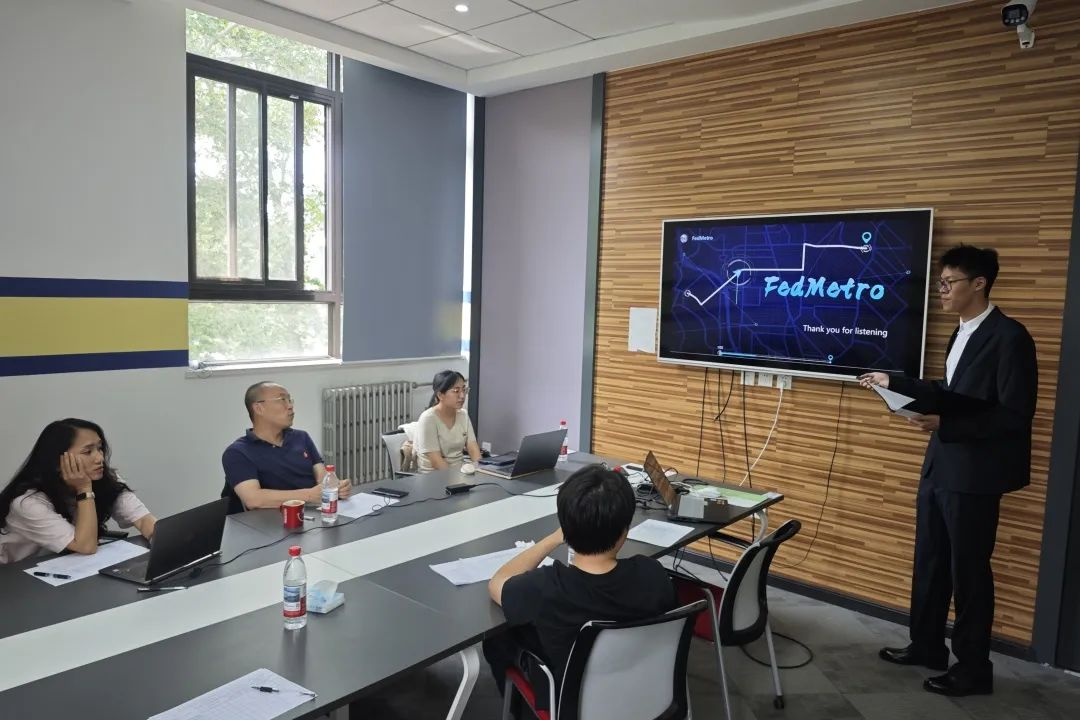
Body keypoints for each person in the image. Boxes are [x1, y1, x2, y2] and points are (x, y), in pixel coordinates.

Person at [859, 245, 1037, 697]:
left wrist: (946, 424)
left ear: (978, 283)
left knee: (968, 573)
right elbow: (950, 391)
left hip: (976, 475)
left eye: (948, 282)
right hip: (941, 466)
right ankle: (927, 646)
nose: (940, 290)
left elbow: (1014, 415)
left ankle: (974, 669)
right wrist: (895, 384)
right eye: (939, 283)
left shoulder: (1010, 337)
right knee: (930, 561)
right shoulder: (961, 332)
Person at [484, 465, 677, 712]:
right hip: (649, 697)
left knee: (498, 639)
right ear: (624, 532)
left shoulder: (546, 587)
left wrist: (552, 539)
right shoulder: (652, 573)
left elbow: (497, 582)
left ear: (566, 527)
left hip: (576, 707)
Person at [0, 419, 156, 564]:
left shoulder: (105, 479)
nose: (99, 458)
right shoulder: (27, 503)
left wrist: (159, 542)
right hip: (14, 574)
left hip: (61, 564)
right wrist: (84, 489)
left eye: (99, 448)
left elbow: (143, 520)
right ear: (57, 461)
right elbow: (86, 546)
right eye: (87, 452)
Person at [222, 381, 351, 510]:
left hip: (312, 514)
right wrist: (309, 495)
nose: (290, 406)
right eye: (282, 400)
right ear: (259, 408)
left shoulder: (301, 437)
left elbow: (322, 478)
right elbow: (254, 499)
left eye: (290, 400)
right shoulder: (238, 452)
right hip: (272, 519)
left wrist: (337, 487)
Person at [415, 370, 481, 473]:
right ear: (440, 395)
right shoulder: (428, 419)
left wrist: (481, 471)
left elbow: (473, 449)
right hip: (433, 476)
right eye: (456, 391)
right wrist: (459, 478)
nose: (462, 396)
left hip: (460, 473)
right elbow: (437, 462)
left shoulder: (463, 415)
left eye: (464, 390)